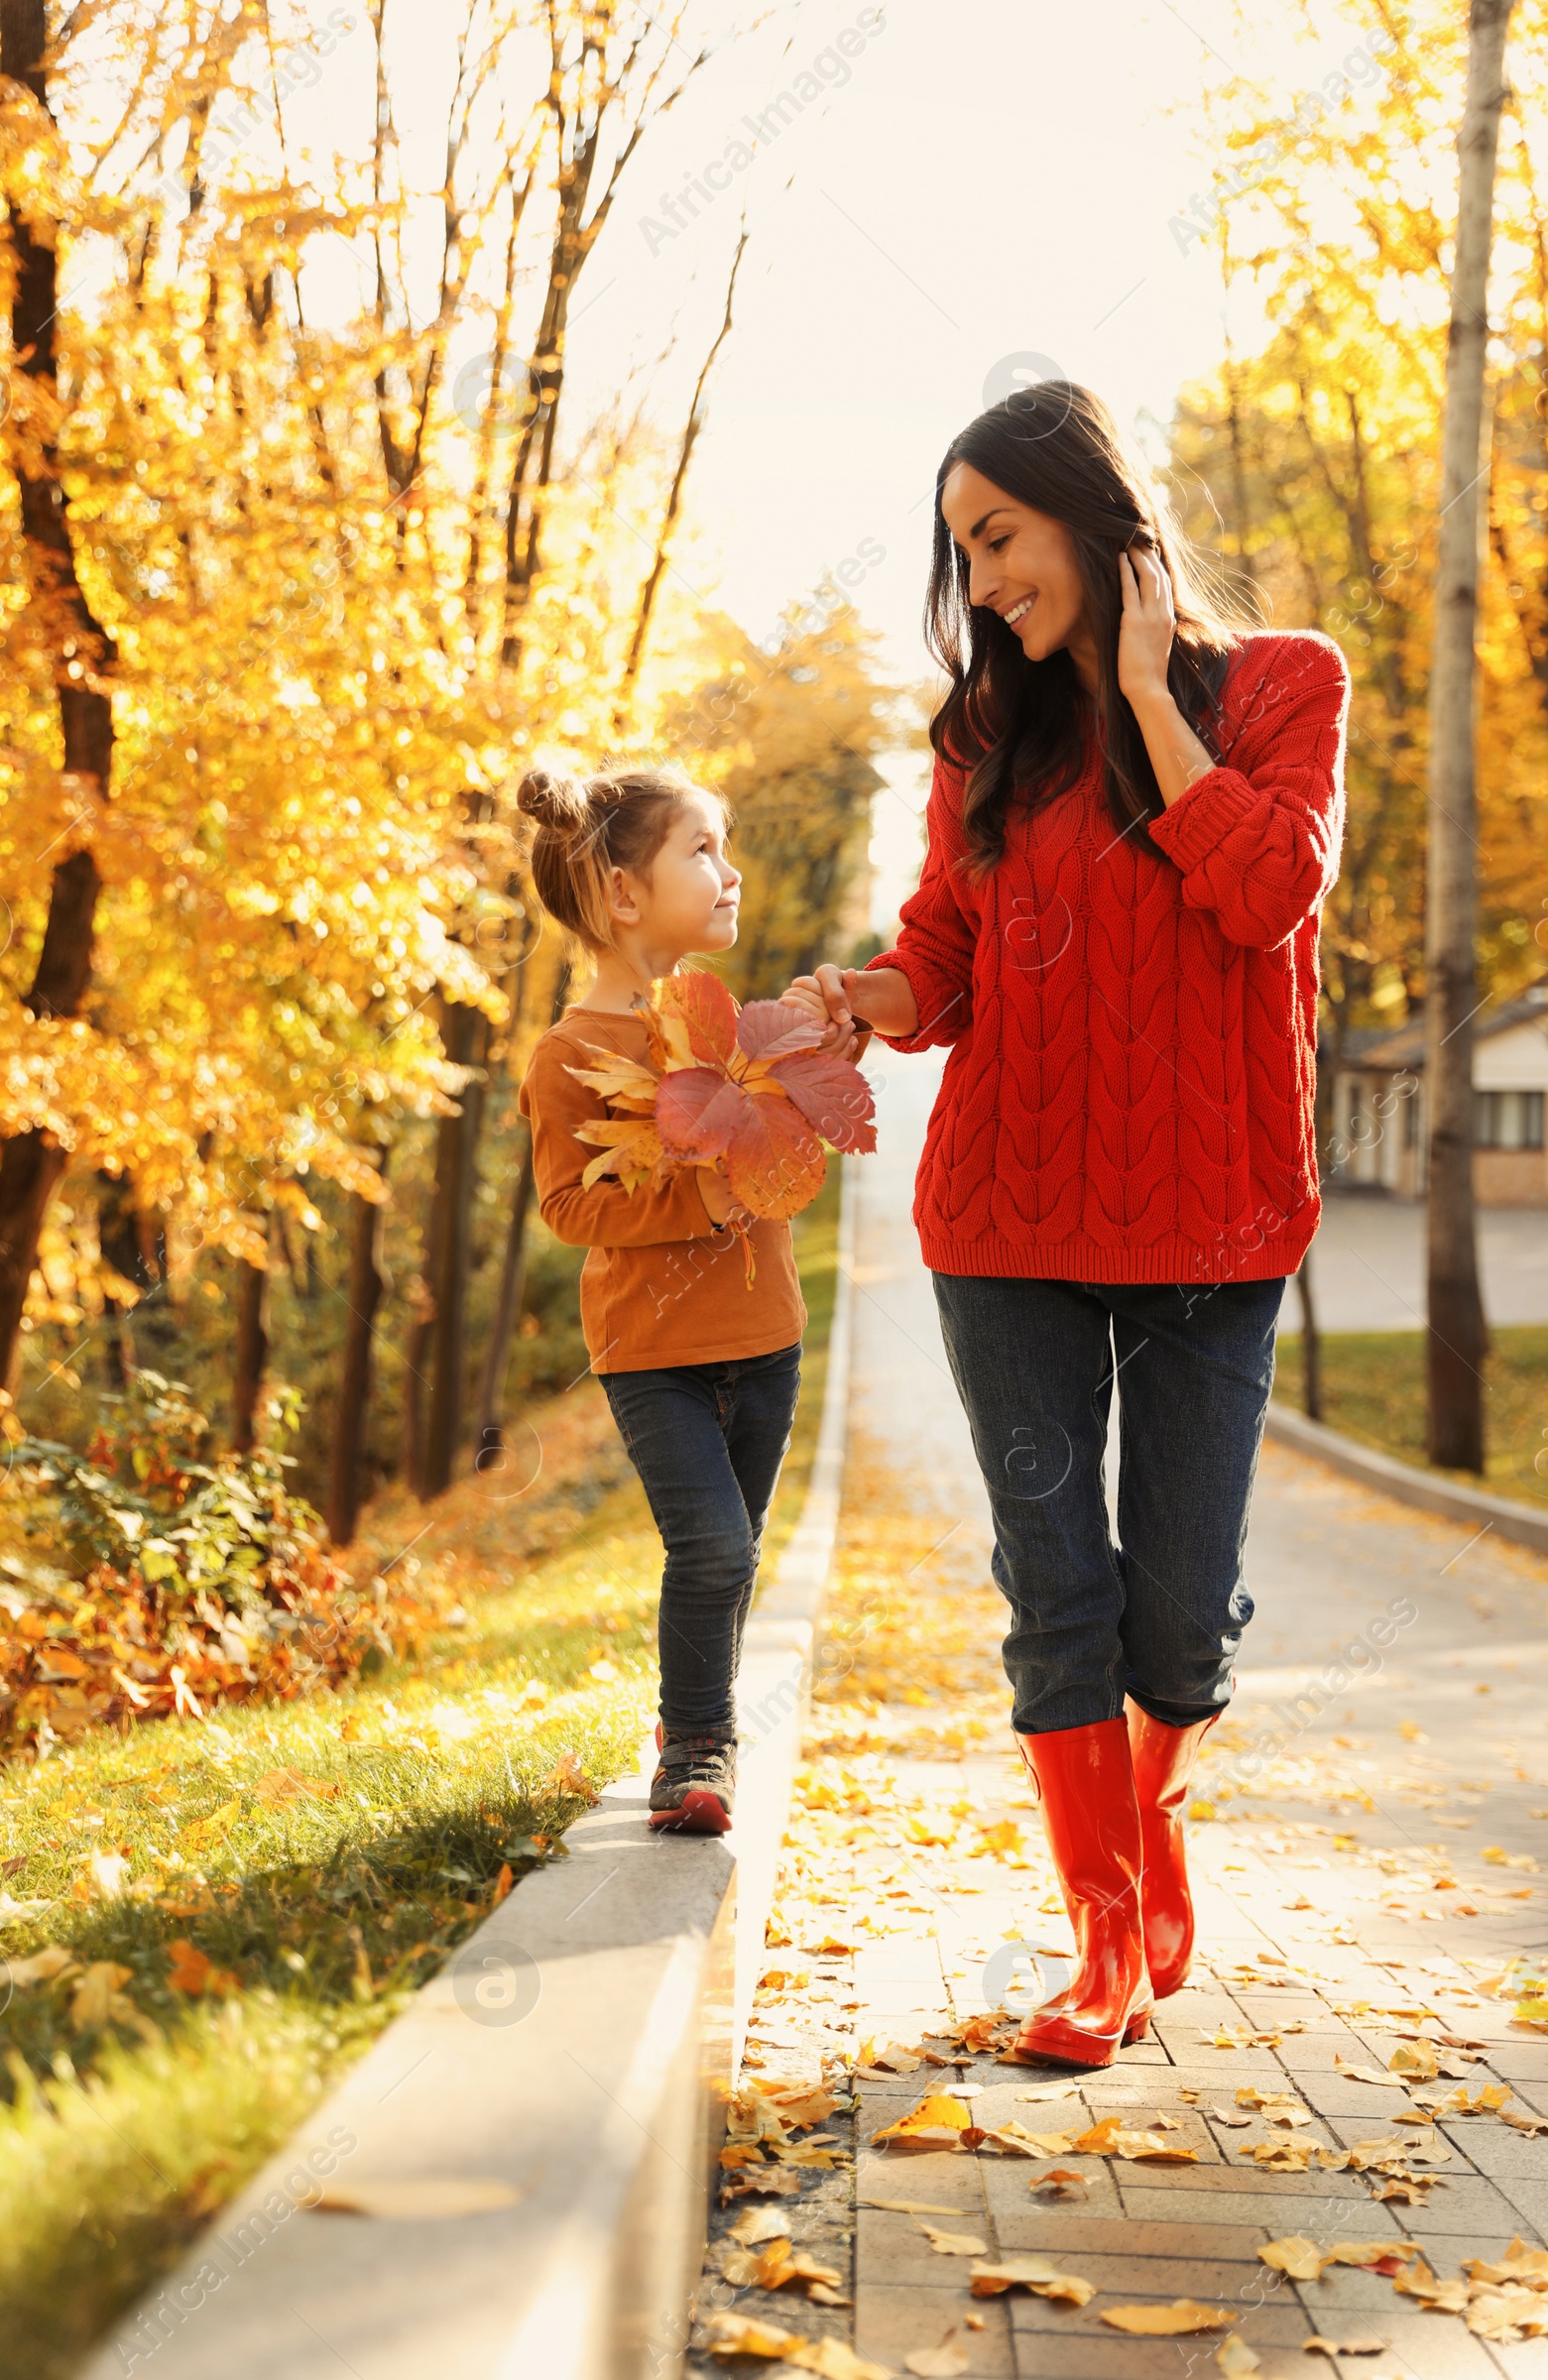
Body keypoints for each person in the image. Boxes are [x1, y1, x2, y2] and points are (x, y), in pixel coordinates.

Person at [786, 383, 1348, 2066]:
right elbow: (942, 955)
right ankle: (1100, 1939)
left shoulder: (1282, 686)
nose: (985, 580)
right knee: (1057, 1592)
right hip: (1006, 1220)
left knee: (1178, 1613)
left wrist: (1152, 700)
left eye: (1000, 538)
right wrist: (864, 998)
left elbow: (1263, 890)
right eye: (964, 553)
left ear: (1095, 518)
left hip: (1215, 1223)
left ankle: (1152, 1827)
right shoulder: (985, 736)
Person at [518, 764, 806, 1835]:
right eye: (701, 850)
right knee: (713, 1549)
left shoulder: (726, 1025)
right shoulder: (567, 1056)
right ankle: (695, 1750)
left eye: (724, 849)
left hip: (764, 1335)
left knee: (738, 1551)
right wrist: (703, 1199)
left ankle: (705, 1729)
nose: (728, 874)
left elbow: (783, 1148)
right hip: (652, 1355)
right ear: (623, 894)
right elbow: (567, 1205)